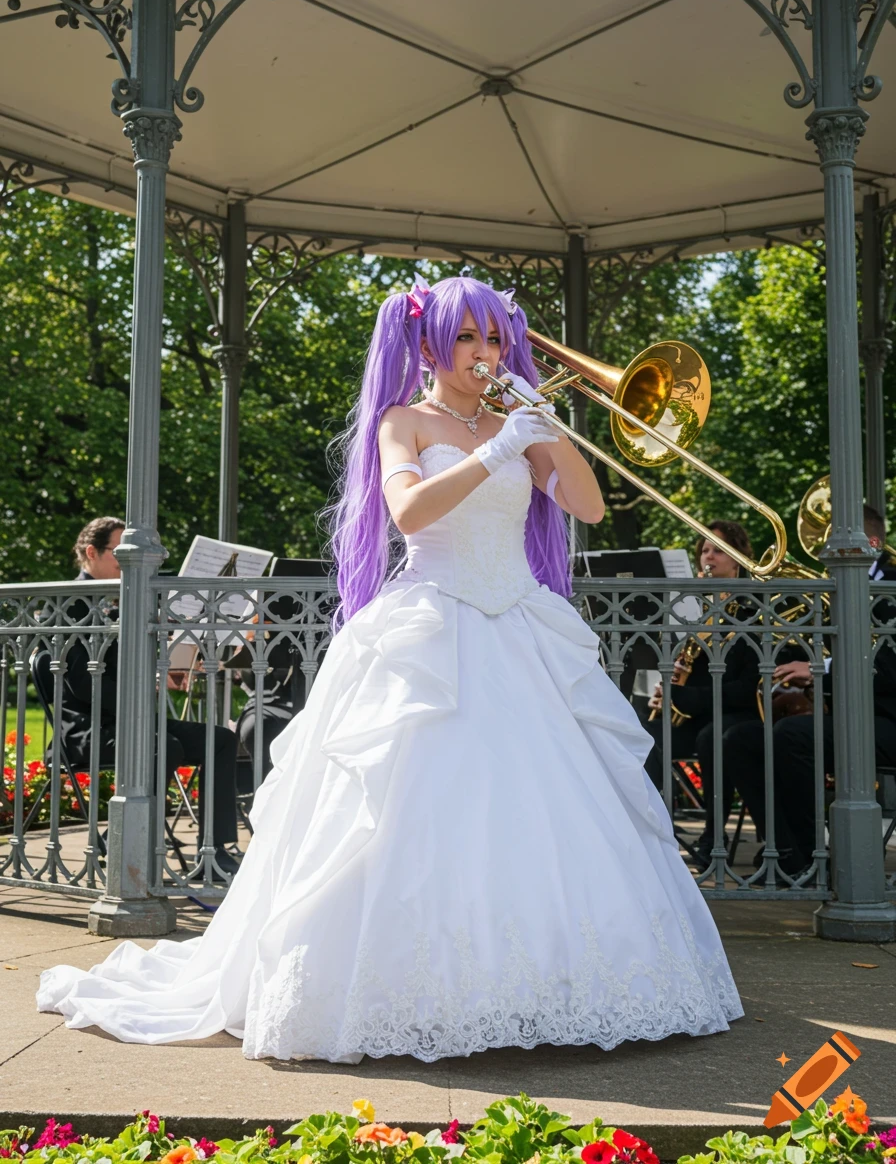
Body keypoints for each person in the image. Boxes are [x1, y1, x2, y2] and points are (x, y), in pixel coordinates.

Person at [38, 277, 742, 1062]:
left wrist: (550, 433)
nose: (486, 354)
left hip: (518, 626)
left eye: (496, 339)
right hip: (430, 623)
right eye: (469, 339)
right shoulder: (402, 420)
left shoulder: (518, 420)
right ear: (434, 345)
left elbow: (588, 507)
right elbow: (408, 513)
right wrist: (501, 450)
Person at [60, 517, 241, 876]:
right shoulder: (70, 602)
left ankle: (213, 851)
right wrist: (143, 690)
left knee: (220, 740)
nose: (127, 562)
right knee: (165, 746)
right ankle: (121, 841)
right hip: (87, 727)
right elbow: (80, 684)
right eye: (120, 553)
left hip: (133, 719)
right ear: (91, 552)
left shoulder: (122, 598)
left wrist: (162, 673)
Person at [723, 505, 896, 878]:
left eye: (836, 540)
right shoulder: (847, 587)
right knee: (739, 740)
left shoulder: (890, 586)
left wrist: (821, 670)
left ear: (871, 542)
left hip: (887, 720)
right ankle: (790, 855)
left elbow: (889, 671)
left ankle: (816, 858)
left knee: (792, 737)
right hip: (853, 714)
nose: (823, 552)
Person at [642, 521, 760, 871]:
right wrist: (669, 692)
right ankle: (654, 831)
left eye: (718, 550)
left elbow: (746, 688)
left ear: (738, 560)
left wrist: (685, 696)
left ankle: (714, 837)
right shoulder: (699, 611)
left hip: (740, 713)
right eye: (704, 550)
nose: (708, 556)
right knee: (644, 735)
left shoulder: (753, 609)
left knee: (713, 739)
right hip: (703, 711)